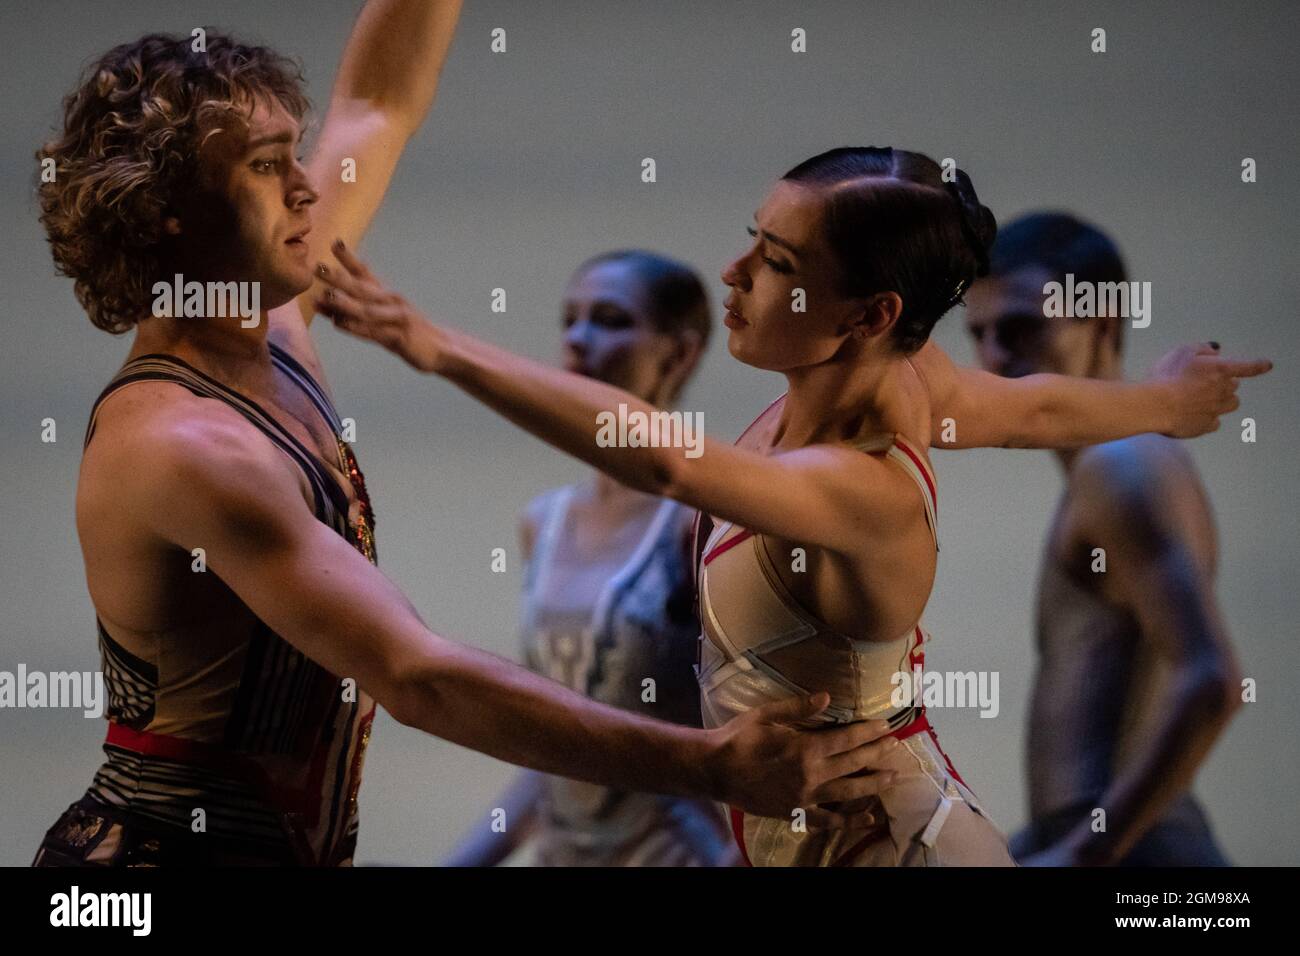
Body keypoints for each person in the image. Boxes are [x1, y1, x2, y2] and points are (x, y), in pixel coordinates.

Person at [32, 11, 897, 868]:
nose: (307, 187)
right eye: (268, 166)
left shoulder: (265, 324)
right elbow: (415, 676)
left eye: (297, 152)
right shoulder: (189, 445)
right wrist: (708, 764)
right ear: (170, 212)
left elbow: (377, 100)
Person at [317, 145, 1270, 866]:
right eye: (751, 242)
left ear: (870, 316)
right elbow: (1033, 407)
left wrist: (432, 344)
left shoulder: (862, 484)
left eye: (776, 262)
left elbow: (672, 466)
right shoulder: (918, 379)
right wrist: (1169, 401)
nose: (734, 277)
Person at [964, 212, 1240, 865]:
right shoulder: (1111, 469)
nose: (996, 357)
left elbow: (1212, 680)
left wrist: (1082, 855)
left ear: (1104, 325)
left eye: (1023, 327)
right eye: (979, 333)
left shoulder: (1124, 466)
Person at [446, 251, 737, 867]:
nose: (578, 339)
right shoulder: (543, 521)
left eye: (609, 320)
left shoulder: (700, 522)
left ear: (678, 353)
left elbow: (740, 731)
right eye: (569, 319)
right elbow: (557, 750)